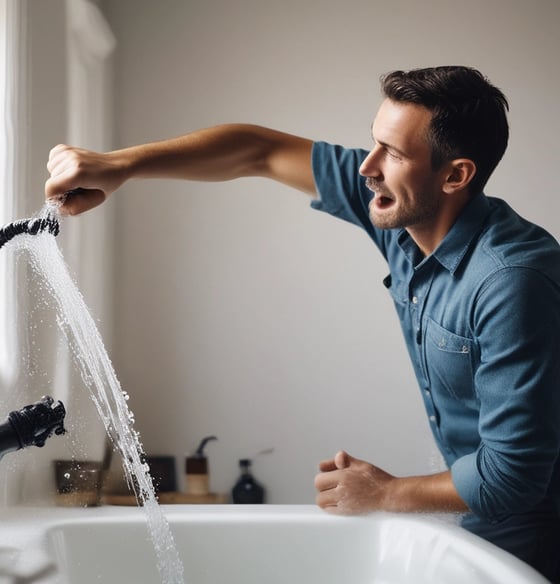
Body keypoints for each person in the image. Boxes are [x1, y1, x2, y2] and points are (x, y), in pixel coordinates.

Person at [44, 66, 560, 581]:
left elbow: (511, 478)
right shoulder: (408, 215)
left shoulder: (511, 282)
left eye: (394, 154)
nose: (368, 168)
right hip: (481, 520)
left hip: (537, 538)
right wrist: (118, 165)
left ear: (455, 175)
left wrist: (385, 493)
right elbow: (258, 151)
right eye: (374, 143)